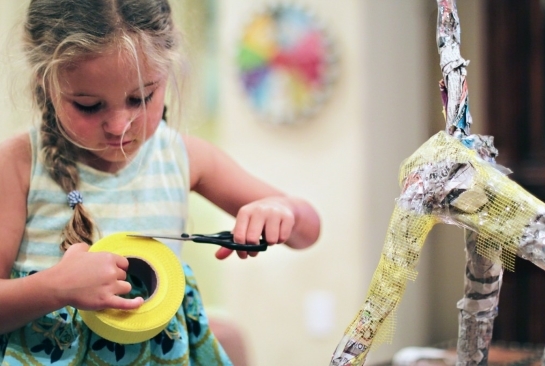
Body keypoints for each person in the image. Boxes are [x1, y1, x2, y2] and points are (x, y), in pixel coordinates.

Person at [0, 0, 321, 365]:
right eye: (89, 105)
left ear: (167, 75)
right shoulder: (19, 163)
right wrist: (53, 288)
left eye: (141, 98)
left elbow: (308, 230)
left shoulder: (183, 156)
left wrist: (282, 210)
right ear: (45, 80)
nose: (119, 127)